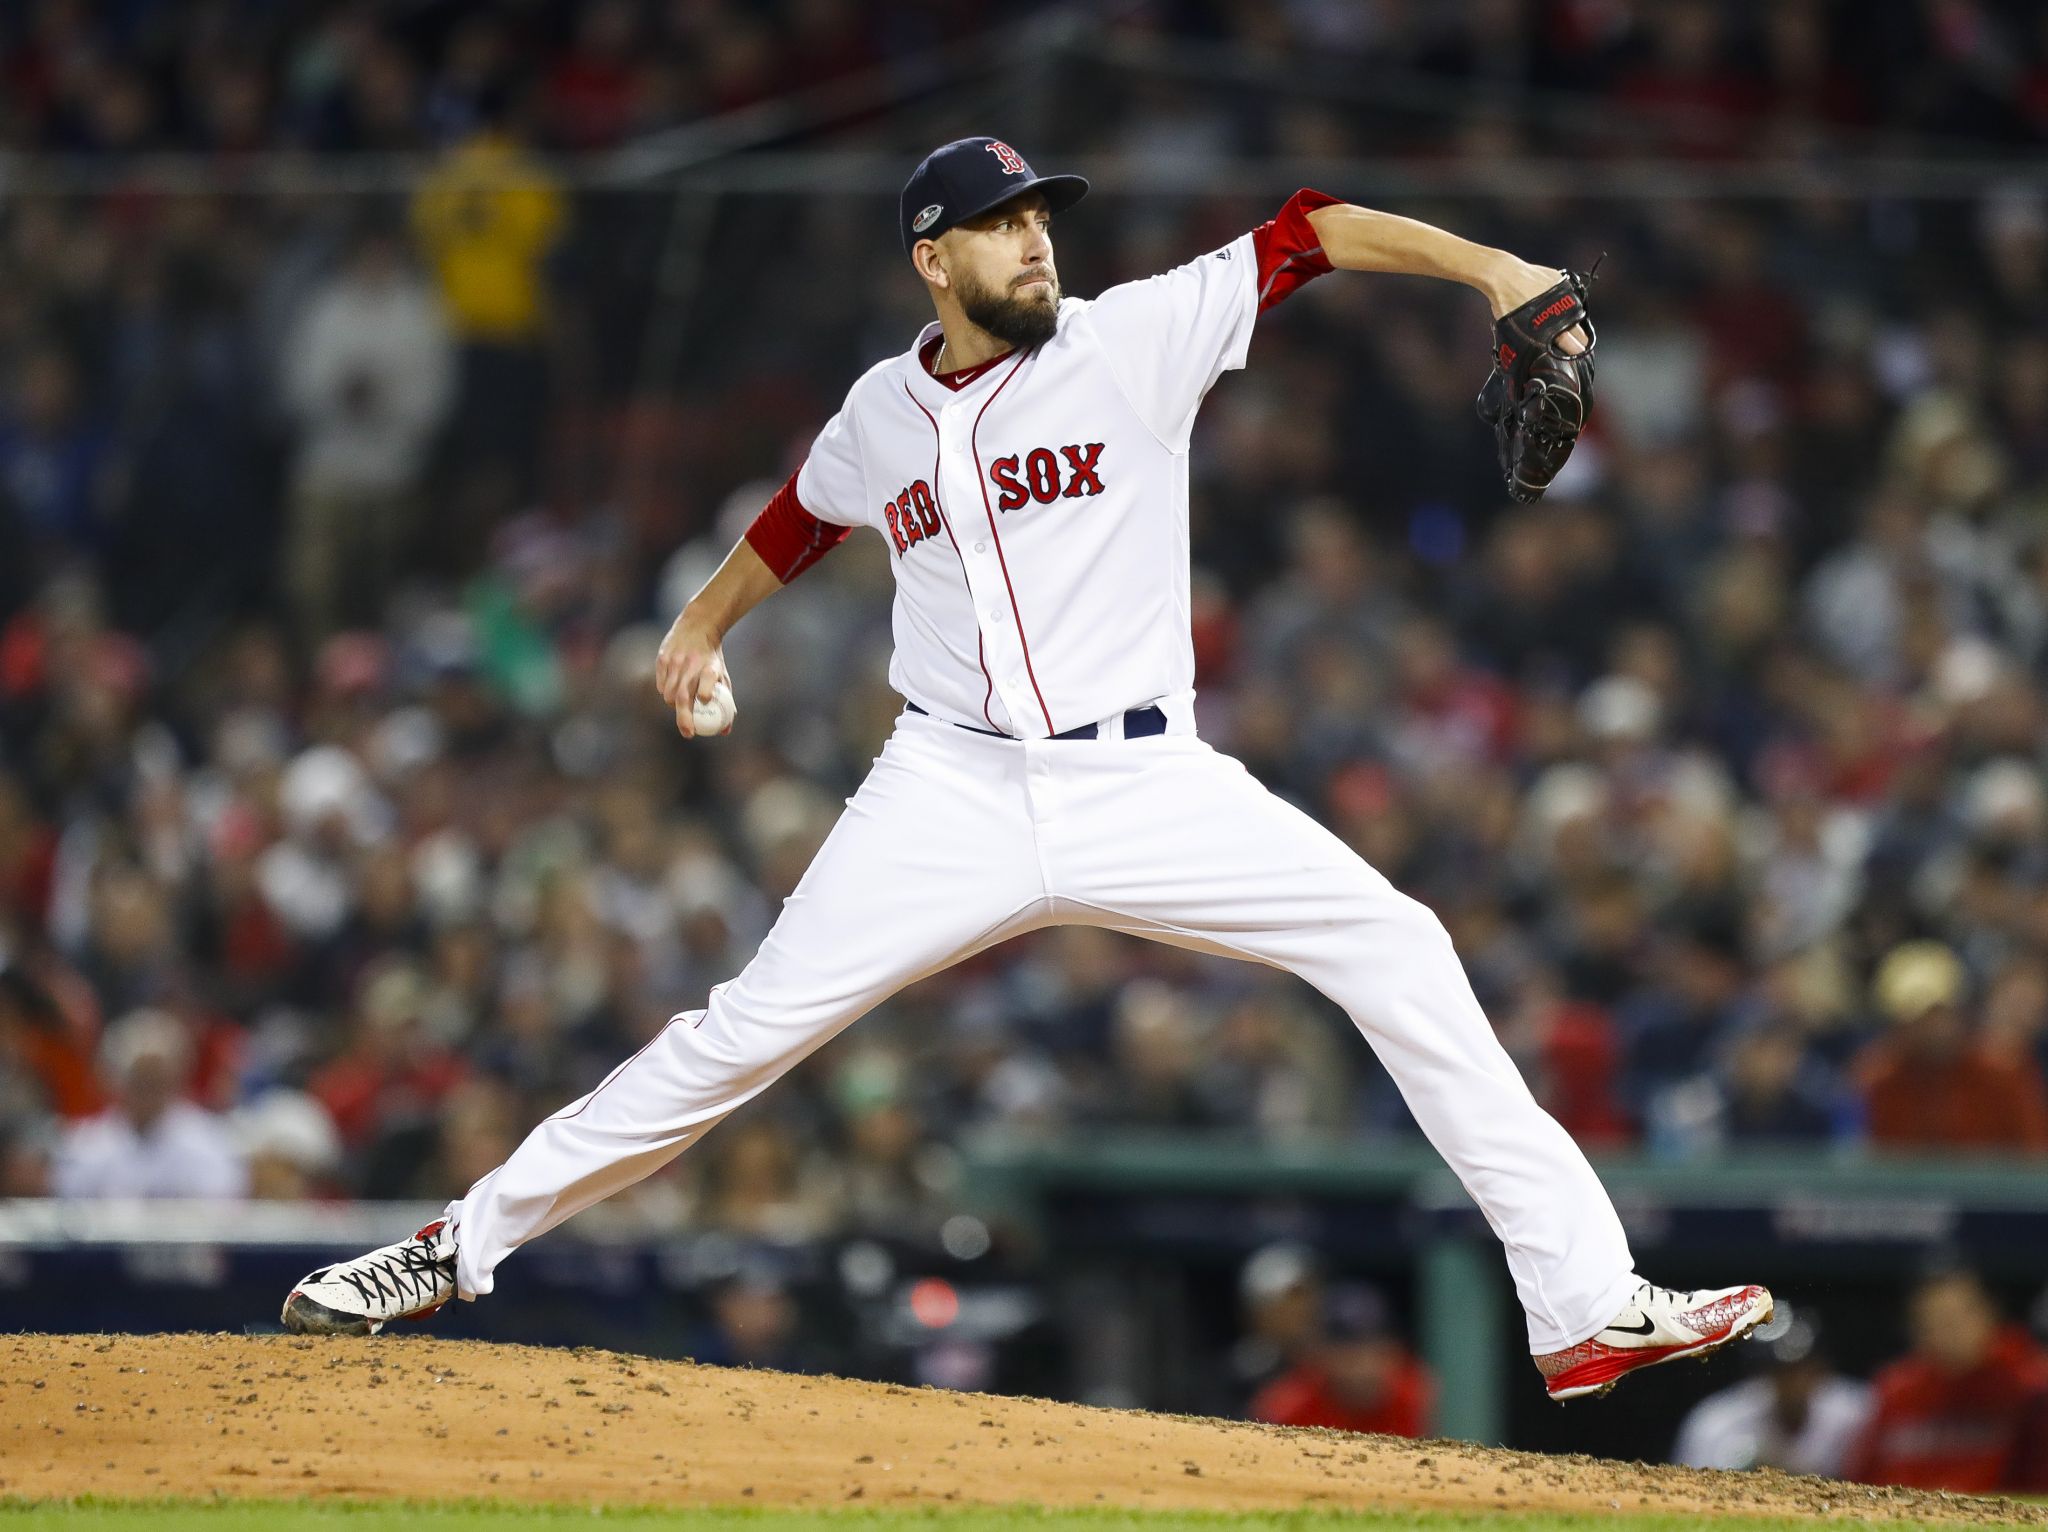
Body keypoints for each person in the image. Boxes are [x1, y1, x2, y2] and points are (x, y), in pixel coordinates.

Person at [283, 136, 1770, 1402]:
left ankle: (1582, 1307)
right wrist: (699, 622)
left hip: (1150, 783)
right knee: (743, 1032)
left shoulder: (1136, 335)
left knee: (1400, 945)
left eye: (1043, 216)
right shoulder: (882, 409)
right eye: (1005, 224)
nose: (1037, 240)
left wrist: (1501, 272)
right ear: (934, 258)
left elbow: (1311, 229)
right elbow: (800, 519)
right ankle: (452, 1247)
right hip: (952, 791)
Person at [1847, 1266, 2048, 1493]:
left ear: (1988, 1314)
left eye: (1953, 1320)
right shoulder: (1897, 1390)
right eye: (1929, 1325)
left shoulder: (2026, 1383)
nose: (1944, 1334)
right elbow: (1861, 1480)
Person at [51, 1009, 246, 1200]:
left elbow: (221, 1202)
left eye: (157, 1082)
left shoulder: (207, 1144)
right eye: (140, 1082)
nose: (148, 1094)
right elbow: (71, 1202)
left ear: (176, 1081)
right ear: (117, 1081)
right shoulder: (89, 1146)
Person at [1672, 1307, 1871, 1476]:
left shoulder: (1858, 1412)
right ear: (1762, 1374)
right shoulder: (1716, 1422)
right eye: (1780, 1371)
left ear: (1821, 1368)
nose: (1792, 1381)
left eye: (1801, 1368)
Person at [1249, 1284, 1434, 1437]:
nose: (1363, 1365)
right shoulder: (1288, 1408)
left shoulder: (1415, 1394)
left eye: (1371, 1350)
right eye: (1348, 1353)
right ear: (1321, 1354)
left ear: (1393, 1351)